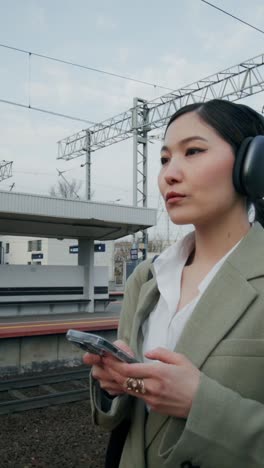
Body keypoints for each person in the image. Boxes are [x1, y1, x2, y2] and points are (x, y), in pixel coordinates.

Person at [83, 98, 264, 468]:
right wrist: (120, 384)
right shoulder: (145, 279)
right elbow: (136, 414)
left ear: (253, 165)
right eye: (164, 159)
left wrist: (201, 404)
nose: (169, 174)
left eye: (193, 151)